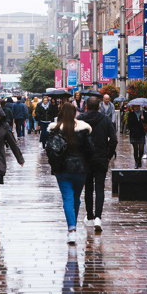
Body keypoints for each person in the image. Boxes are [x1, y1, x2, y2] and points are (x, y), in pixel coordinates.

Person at [47, 103, 93, 244]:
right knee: (76, 198)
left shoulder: (55, 129)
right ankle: (73, 227)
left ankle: (72, 230)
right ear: (75, 113)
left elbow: (49, 149)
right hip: (80, 169)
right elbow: (90, 150)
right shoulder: (83, 129)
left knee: (68, 198)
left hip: (62, 169)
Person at [77, 97, 117, 232]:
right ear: (99, 107)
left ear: (86, 106)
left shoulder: (81, 119)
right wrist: (109, 155)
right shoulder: (105, 119)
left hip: (85, 158)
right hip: (101, 158)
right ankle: (98, 217)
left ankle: (89, 216)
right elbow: (114, 139)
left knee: (88, 187)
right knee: (100, 187)